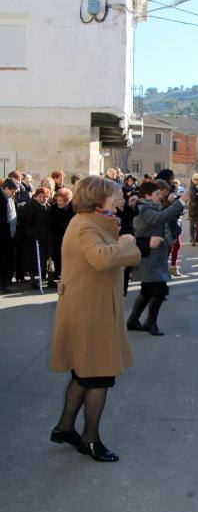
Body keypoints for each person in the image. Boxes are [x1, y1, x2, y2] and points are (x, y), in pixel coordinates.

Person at [49, 176, 141, 462]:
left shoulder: (90, 221)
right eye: (115, 195)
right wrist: (127, 242)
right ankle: (90, 440)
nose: (119, 200)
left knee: (83, 375)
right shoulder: (86, 225)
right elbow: (102, 258)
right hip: (90, 315)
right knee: (98, 378)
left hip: (92, 309)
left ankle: (64, 428)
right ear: (98, 197)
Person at [127, 181, 186, 336]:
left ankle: (133, 320)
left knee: (147, 290)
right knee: (160, 290)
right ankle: (149, 323)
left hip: (153, 258)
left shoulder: (150, 206)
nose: (160, 197)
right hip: (148, 258)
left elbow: (162, 214)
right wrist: (180, 202)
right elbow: (159, 218)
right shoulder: (145, 209)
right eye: (157, 194)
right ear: (147, 195)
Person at [19, 186, 54, 288]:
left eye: (45, 197)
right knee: (34, 259)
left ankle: (51, 279)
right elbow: (26, 223)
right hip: (34, 238)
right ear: (36, 196)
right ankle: (33, 280)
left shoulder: (49, 207)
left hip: (47, 237)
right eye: (41, 197)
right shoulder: (30, 207)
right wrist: (33, 233)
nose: (43, 199)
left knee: (49, 257)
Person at [49, 187, 74, 281]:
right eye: (58, 200)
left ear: (67, 200)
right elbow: (50, 224)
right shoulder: (53, 209)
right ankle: (59, 274)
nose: (59, 202)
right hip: (57, 237)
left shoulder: (74, 208)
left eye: (61, 200)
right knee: (58, 256)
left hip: (71, 237)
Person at [0, 178, 18, 292]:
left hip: (7, 234)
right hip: (2, 234)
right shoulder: (2, 198)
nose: (14, 193)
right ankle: (2, 285)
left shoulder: (9, 198)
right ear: (6, 188)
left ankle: (5, 283)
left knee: (6, 259)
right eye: (13, 191)